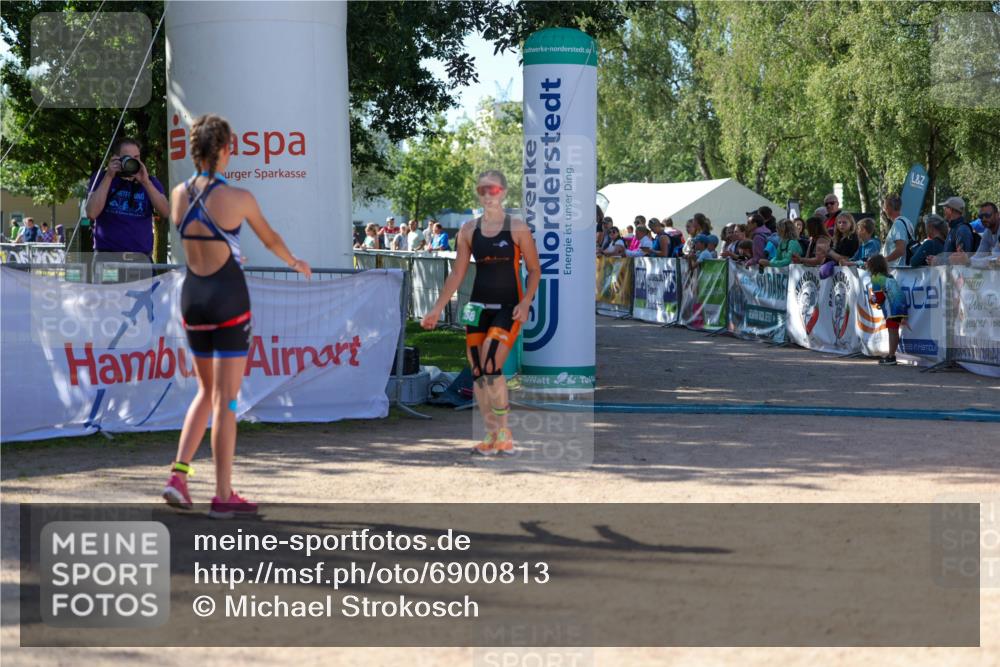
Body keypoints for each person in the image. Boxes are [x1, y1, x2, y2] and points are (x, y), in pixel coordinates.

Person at [162, 113, 311, 518]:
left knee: (203, 393)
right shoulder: (238, 197)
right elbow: (271, 238)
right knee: (226, 402)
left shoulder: (178, 194)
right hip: (228, 301)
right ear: (225, 150)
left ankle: (178, 474)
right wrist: (294, 261)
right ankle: (223, 494)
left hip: (192, 300)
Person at [420, 170, 541, 456]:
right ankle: (491, 434)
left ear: (503, 192)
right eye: (483, 190)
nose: (488, 195)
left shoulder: (517, 228)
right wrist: (437, 309)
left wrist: (525, 303)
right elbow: (457, 274)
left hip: (508, 308)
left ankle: (505, 432)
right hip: (477, 308)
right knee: (478, 372)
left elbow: (535, 269)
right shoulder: (468, 230)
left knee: (490, 363)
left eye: (494, 190)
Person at [85, 136, 170, 257]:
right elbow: (91, 213)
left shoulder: (150, 182)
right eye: (128, 158)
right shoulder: (102, 178)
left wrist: (146, 182)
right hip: (108, 258)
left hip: (141, 257)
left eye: (137, 157)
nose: (134, 162)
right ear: (116, 159)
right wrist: (109, 176)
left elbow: (166, 212)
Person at [867, 254, 907, 366]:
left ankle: (891, 356)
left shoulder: (875, 278)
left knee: (892, 332)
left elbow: (879, 298)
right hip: (900, 305)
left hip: (892, 308)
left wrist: (872, 298)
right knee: (894, 330)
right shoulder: (889, 276)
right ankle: (891, 355)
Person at [928, 196, 977, 266]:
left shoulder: (962, 230)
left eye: (945, 208)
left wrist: (938, 260)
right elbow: (950, 256)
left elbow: (961, 261)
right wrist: (936, 258)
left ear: (950, 210)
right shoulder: (955, 229)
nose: (943, 211)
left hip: (960, 276)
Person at [880, 193, 914, 269]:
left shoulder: (898, 224)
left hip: (898, 270)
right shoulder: (907, 221)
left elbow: (900, 250)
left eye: (885, 207)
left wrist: (883, 260)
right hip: (902, 269)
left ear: (890, 207)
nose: (884, 210)